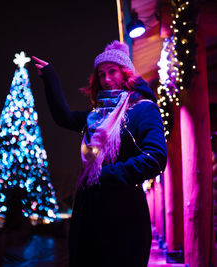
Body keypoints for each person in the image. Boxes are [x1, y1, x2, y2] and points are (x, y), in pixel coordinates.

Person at [32, 40, 167, 267]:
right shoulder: (96, 117)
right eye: (101, 74)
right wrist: (49, 76)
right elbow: (63, 117)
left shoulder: (143, 109)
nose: (106, 79)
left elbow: (155, 158)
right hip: (89, 211)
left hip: (124, 214)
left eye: (112, 71)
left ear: (126, 74)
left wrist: (105, 175)